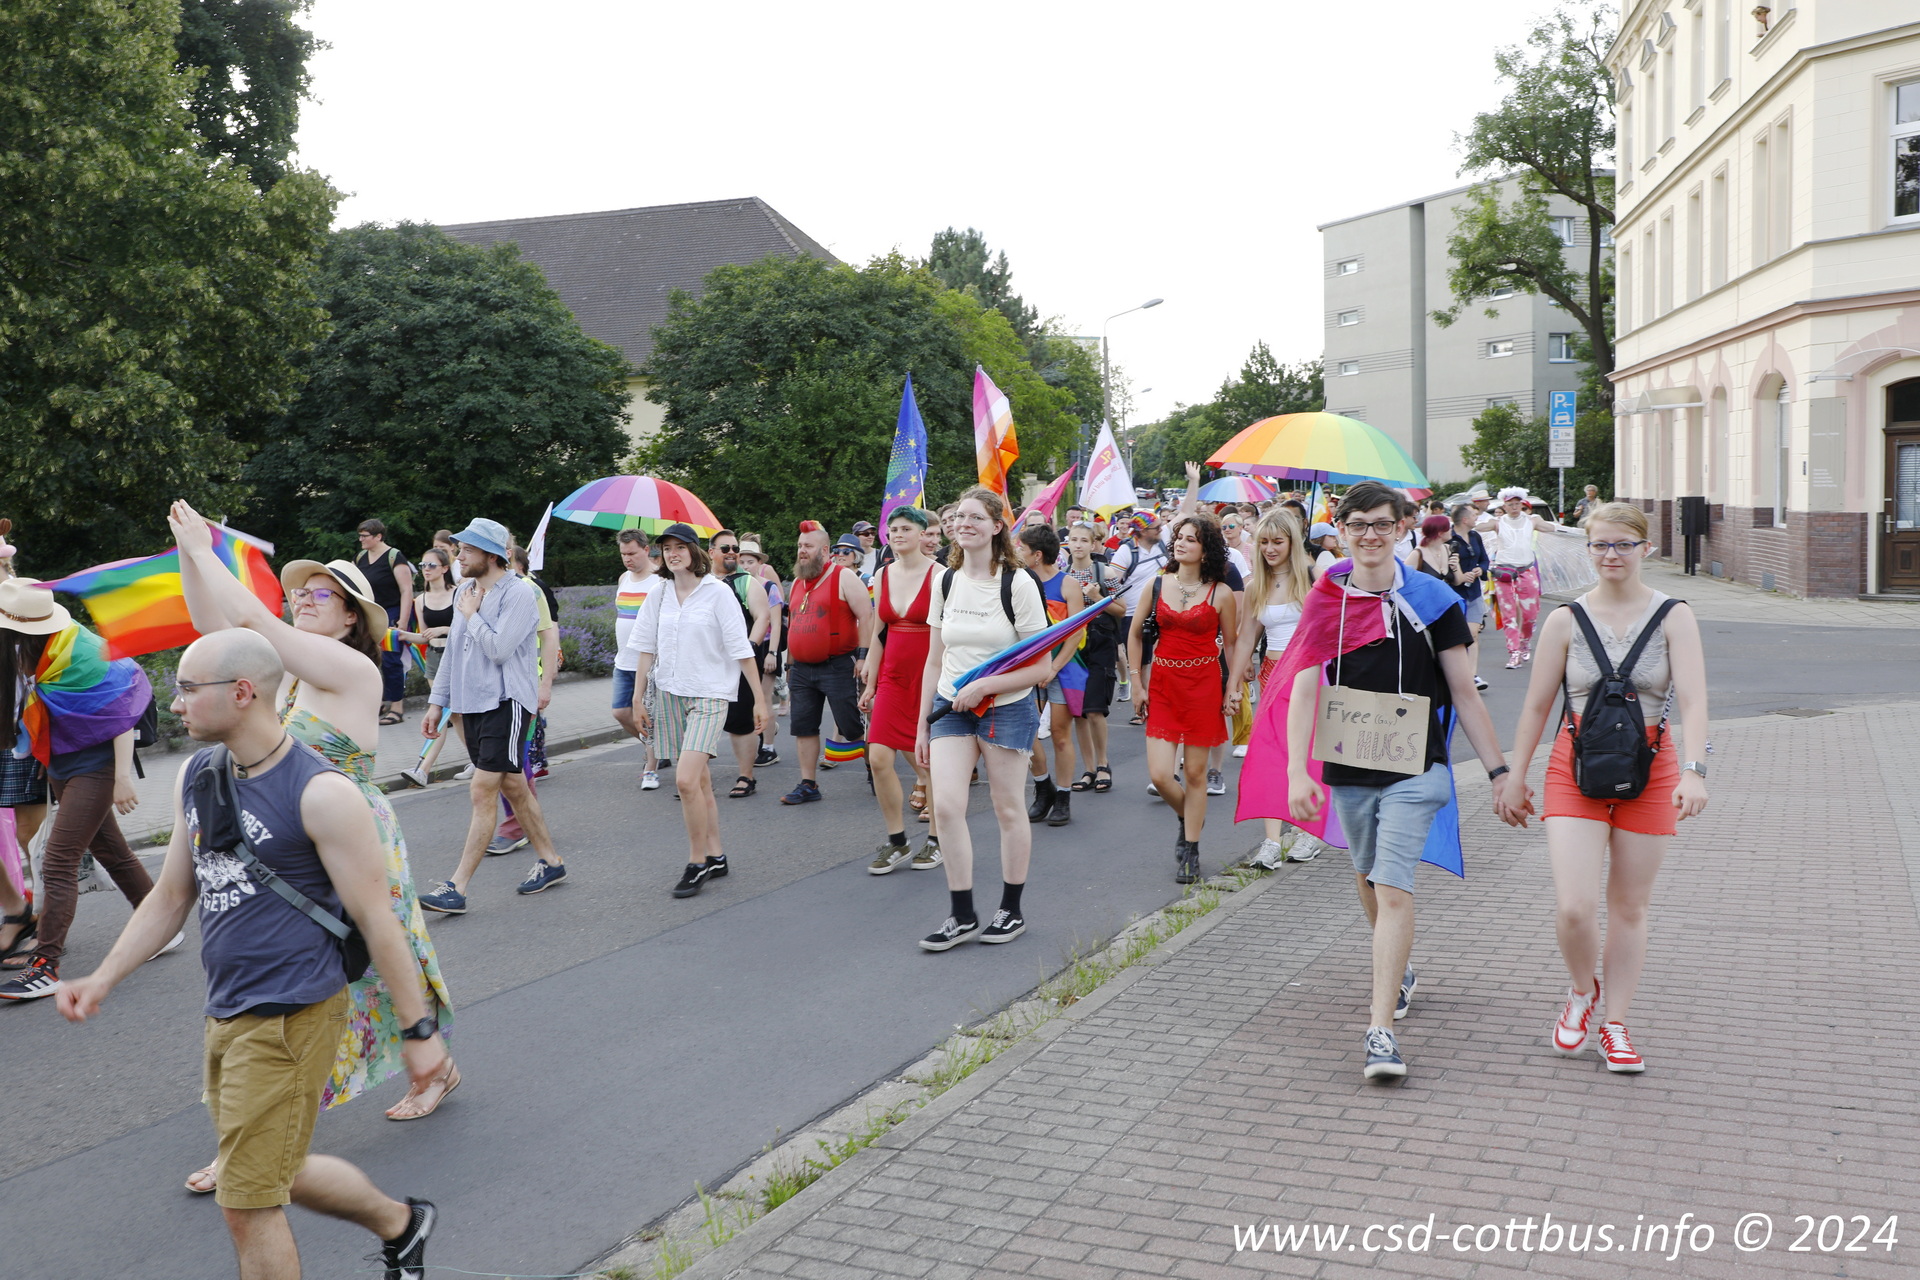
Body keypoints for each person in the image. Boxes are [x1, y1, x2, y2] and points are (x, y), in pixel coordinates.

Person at [58, 628, 446, 1280]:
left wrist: (420, 1033)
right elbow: (172, 895)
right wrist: (104, 976)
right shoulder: (200, 774)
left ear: (242, 692)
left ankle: (399, 1226)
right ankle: (400, 1225)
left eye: (187, 688)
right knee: (272, 1169)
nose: (173, 703)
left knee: (246, 1200)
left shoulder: (323, 794)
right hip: (225, 1010)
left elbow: (379, 922)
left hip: (293, 1015)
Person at [168, 500, 458, 1194]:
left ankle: (431, 1063)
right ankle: (251, 1133)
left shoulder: (350, 670)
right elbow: (216, 628)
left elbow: (254, 620)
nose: (302, 601)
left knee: (375, 958)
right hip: (294, 834)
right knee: (295, 978)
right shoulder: (287, 671)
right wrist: (186, 550)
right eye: (299, 594)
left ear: (352, 616)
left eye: (321, 596)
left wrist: (208, 549)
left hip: (351, 829)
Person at [1277, 482, 1520, 1081]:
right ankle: (1400, 966)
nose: (1370, 535)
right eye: (1358, 524)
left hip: (1418, 767)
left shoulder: (1432, 599)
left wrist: (1499, 772)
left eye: (1382, 524)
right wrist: (1295, 770)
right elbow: (1305, 688)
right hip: (1349, 764)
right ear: (1340, 530)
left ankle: (1380, 1030)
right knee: (1367, 875)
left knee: (1391, 885)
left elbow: (1464, 692)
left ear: (1402, 527)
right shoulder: (1325, 600)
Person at [1497, 502, 1709, 1074]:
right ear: (1586, 550)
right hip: (1575, 768)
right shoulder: (1565, 620)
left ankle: (1615, 1023)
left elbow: (1693, 700)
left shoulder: (1673, 616)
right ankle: (1581, 990)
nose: (1611, 555)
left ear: (1645, 549)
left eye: (1623, 544)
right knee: (1575, 906)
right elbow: (1536, 706)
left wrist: (1695, 769)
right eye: (1600, 545)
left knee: (1630, 906)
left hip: (1652, 769)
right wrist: (1515, 776)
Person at [0, 578, 168, 1000]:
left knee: (58, 861)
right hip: (61, 764)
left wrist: (122, 777)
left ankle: (45, 966)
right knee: (114, 853)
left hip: (98, 767)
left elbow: (124, 709)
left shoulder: (87, 652)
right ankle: (161, 929)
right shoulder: (32, 650)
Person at [914, 488, 1050, 951]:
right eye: (959, 517)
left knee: (1007, 807)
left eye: (976, 517)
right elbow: (935, 660)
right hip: (951, 708)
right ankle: (962, 914)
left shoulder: (1018, 583)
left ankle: (1011, 910)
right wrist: (923, 723)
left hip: (1006, 707)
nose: (964, 524)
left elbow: (1040, 666)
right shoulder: (945, 581)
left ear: (996, 527)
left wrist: (986, 686)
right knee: (947, 807)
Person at [416, 519, 563, 913]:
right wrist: (436, 703)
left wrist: (471, 615)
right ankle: (551, 862)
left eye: (467, 550)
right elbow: (453, 653)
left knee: (482, 789)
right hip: (471, 703)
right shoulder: (466, 591)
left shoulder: (519, 593)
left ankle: (457, 887)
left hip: (507, 702)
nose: (459, 556)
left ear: (492, 555)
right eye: (460, 549)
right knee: (514, 787)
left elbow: (499, 650)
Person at [626, 524, 767, 898]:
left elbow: (741, 648)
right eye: (666, 549)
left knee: (686, 780)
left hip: (709, 696)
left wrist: (760, 699)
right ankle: (716, 856)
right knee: (700, 782)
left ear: (694, 551)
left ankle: (696, 861)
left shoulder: (717, 593)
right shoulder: (658, 593)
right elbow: (645, 646)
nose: (672, 554)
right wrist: (637, 699)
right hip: (670, 694)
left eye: (679, 547)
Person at [1129, 513, 1237, 885]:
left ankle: (1191, 847)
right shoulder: (1157, 584)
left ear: (1206, 550)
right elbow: (1135, 635)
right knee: (1161, 775)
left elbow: (1233, 646)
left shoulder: (1221, 593)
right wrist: (1136, 683)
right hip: (1163, 684)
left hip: (1204, 686)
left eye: (1191, 539)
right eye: (1179, 537)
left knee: (1194, 774)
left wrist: (1233, 688)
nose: (1181, 543)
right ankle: (1188, 815)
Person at [1227, 509, 1321, 869]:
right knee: (1270, 756)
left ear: (1292, 542)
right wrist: (1234, 683)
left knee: (1306, 753)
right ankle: (1271, 841)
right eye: (1264, 542)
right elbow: (1246, 637)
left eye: (1277, 542)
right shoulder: (1256, 586)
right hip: (1271, 674)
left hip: (1310, 675)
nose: (1269, 548)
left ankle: (1308, 830)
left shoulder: (1312, 578)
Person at [859, 507, 943, 873]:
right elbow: (880, 631)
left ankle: (937, 839)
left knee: (931, 762)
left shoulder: (941, 575)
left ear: (924, 534)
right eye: (893, 529)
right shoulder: (883, 574)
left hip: (930, 676)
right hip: (892, 676)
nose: (897, 534)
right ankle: (897, 841)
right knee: (878, 757)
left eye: (906, 528)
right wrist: (871, 681)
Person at [781, 521, 871, 805]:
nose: (801, 551)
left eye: (808, 546)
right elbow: (794, 622)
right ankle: (808, 784)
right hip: (801, 669)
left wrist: (863, 657)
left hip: (839, 665)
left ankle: (876, 769)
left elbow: (867, 616)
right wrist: (789, 665)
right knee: (803, 725)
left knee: (852, 727)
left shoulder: (844, 577)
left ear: (824, 550)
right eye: (799, 546)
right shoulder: (797, 582)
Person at [0, 525, 50, 968]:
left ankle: (45, 931)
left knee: (30, 838)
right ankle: (17, 911)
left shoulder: (22, 601)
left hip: (24, 736)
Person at [1017, 524, 1084, 828]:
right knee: (1026, 732)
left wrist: (1053, 668)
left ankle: (1064, 797)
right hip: (1026, 668)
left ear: (1037, 555)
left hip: (1063, 667)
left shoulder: (1068, 584)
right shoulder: (1018, 581)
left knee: (1059, 734)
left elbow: (1076, 632)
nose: (1017, 552)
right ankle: (1043, 787)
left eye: (1022, 548)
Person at [708, 529, 775, 799]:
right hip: (707, 663)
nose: (732, 553)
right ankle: (698, 776)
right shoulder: (701, 582)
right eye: (725, 548)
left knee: (741, 720)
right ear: (711, 552)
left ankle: (746, 776)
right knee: (702, 718)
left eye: (735, 548)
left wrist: (750, 648)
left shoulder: (747, 582)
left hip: (739, 663)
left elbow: (762, 617)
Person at [1062, 522, 1124, 796]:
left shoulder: (1105, 572)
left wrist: (1098, 597)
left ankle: (1102, 764)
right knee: (1079, 711)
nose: (1077, 545)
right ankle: (1088, 769)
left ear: (1093, 544)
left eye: (1083, 540)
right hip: (1074, 645)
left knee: (1096, 708)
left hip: (1100, 641)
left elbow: (1121, 609)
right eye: (1073, 539)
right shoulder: (1064, 575)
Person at [1477, 487, 1570, 669]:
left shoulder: (1532, 520)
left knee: (1530, 615)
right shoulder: (1497, 523)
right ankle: (1514, 652)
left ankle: (1524, 641)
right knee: (1509, 615)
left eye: (1517, 504)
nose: (1514, 507)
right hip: (1504, 573)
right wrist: (1458, 524)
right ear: (1504, 506)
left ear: (1522, 504)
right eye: (1510, 504)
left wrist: (1582, 532)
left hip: (1526, 572)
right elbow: (1475, 527)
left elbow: (1555, 528)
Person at [608, 529, 665, 790]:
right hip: (624, 660)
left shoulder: (659, 580)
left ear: (646, 549)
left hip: (650, 662)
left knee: (648, 714)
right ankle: (655, 747)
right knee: (620, 712)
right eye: (623, 554)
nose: (627, 559)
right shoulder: (624, 578)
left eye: (632, 553)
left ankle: (650, 769)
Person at [353, 519, 414, 726]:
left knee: (391, 660)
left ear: (378, 536)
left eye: (364, 536)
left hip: (391, 614)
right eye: (360, 535)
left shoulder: (394, 557)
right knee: (368, 659)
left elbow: (406, 590)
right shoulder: (360, 557)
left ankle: (396, 707)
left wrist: (402, 621)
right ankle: (376, 703)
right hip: (369, 614)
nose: (360, 539)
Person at [735, 539, 782, 764]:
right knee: (748, 699)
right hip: (744, 646)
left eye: (750, 561)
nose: (745, 566)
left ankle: (769, 748)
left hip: (766, 646)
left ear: (759, 563)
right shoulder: (735, 585)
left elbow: (776, 622)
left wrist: (773, 653)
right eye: (742, 561)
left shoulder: (768, 587)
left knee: (764, 696)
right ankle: (761, 735)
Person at [1447, 503, 1492, 693]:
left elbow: (1485, 559)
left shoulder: (1475, 536)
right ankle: (1456, 674)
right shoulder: (1449, 538)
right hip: (1454, 593)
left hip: (1473, 591)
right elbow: (1443, 565)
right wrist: (1459, 575)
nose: (1477, 518)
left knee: (1473, 634)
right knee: (1458, 636)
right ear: (1465, 519)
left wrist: (1480, 569)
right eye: (1474, 515)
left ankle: (1472, 675)